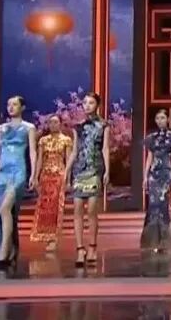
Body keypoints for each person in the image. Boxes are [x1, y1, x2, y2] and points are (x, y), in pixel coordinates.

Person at [0, 95, 37, 266]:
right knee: (6, 213)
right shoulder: (2, 128)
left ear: (22, 107)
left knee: (5, 208)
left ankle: (4, 250)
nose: (11, 107)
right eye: (9, 105)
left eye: (15, 104)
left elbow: (32, 152)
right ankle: (12, 249)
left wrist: (34, 174)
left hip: (17, 172)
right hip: (1, 173)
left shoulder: (29, 128)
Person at [67, 92, 110, 267]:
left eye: (91, 102)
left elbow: (105, 148)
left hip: (95, 169)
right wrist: (67, 171)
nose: (87, 105)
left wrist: (107, 170)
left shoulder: (104, 125)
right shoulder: (78, 127)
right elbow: (74, 151)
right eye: (84, 103)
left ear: (97, 105)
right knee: (77, 209)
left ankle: (92, 247)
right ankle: (80, 249)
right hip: (79, 169)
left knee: (92, 210)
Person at [140, 109, 171, 252]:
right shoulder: (151, 138)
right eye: (157, 118)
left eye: (163, 118)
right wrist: (145, 176)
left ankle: (164, 240)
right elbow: (149, 157)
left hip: (166, 173)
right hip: (154, 174)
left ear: (168, 120)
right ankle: (152, 240)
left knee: (163, 204)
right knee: (153, 205)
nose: (160, 120)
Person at [30, 114, 72, 253]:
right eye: (51, 122)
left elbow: (68, 160)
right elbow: (40, 160)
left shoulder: (66, 140)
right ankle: (45, 235)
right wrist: (35, 177)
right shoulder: (43, 140)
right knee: (44, 207)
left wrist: (68, 179)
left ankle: (54, 238)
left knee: (56, 208)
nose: (53, 125)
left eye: (55, 122)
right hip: (46, 176)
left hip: (59, 176)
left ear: (60, 123)